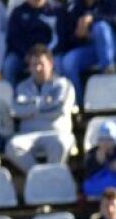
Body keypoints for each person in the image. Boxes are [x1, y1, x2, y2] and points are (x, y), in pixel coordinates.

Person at [58, 0, 116, 101]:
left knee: (100, 27)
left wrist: (93, 18)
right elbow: (68, 36)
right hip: (91, 49)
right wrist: (78, 36)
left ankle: (108, 77)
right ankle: (78, 102)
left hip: (114, 48)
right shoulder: (75, 5)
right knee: (68, 62)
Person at [5, 45, 76, 174]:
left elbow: (59, 110)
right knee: (12, 146)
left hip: (55, 133)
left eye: (41, 64)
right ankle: (39, 176)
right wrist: (44, 103)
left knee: (62, 143)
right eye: (33, 65)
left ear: (51, 63)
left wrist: (31, 107)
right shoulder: (22, 87)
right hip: (28, 135)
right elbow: (16, 110)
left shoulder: (64, 85)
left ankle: (49, 178)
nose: (37, 68)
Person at [3, 0, 62, 86]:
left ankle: (60, 96)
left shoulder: (57, 11)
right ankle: (12, 99)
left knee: (60, 65)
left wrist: (48, 55)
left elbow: (63, 36)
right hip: (24, 54)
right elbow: (14, 38)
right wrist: (26, 55)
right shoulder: (18, 12)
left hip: (52, 53)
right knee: (9, 66)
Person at [83, 122, 116, 200]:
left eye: (109, 139)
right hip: (97, 186)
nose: (105, 142)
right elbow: (87, 173)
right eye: (102, 139)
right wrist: (98, 163)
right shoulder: (92, 154)